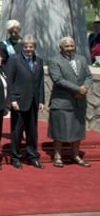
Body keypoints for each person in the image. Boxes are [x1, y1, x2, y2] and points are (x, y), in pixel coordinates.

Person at [48, 37, 92, 168]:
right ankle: (57, 155)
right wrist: (78, 89)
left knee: (78, 129)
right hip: (62, 101)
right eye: (67, 46)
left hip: (79, 101)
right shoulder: (55, 60)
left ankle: (75, 155)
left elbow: (88, 76)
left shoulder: (82, 59)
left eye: (72, 46)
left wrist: (84, 88)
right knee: (60, 129)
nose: (70, 49)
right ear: (61, 47)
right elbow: (58, 79)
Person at [5, 36, 45, 169]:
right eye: (26, 47)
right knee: (17, 131)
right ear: (22, 47)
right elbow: (9, 81)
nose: (28, 49)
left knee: (32, 131)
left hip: (33, 101)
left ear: (34, 47)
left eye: (31, 47)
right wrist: (12, 100)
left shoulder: (38, 61)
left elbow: (40, 83)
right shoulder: (14, 60)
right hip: (19, 102)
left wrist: (41, 100)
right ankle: (15, 157)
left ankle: (32, 156)